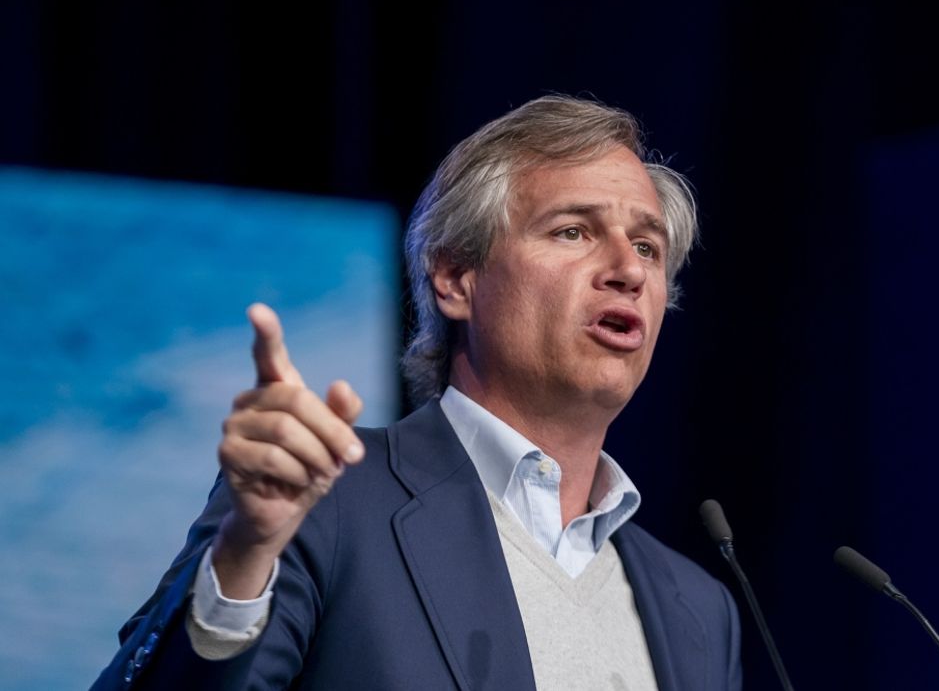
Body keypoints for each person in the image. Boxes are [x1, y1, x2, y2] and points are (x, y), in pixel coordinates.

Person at [93, 96, 742, 690]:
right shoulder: (327, 501)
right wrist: (243, 557)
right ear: (455, 277)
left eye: (648, 247)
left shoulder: (701, 610)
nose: (629, 270)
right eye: (573, 231)